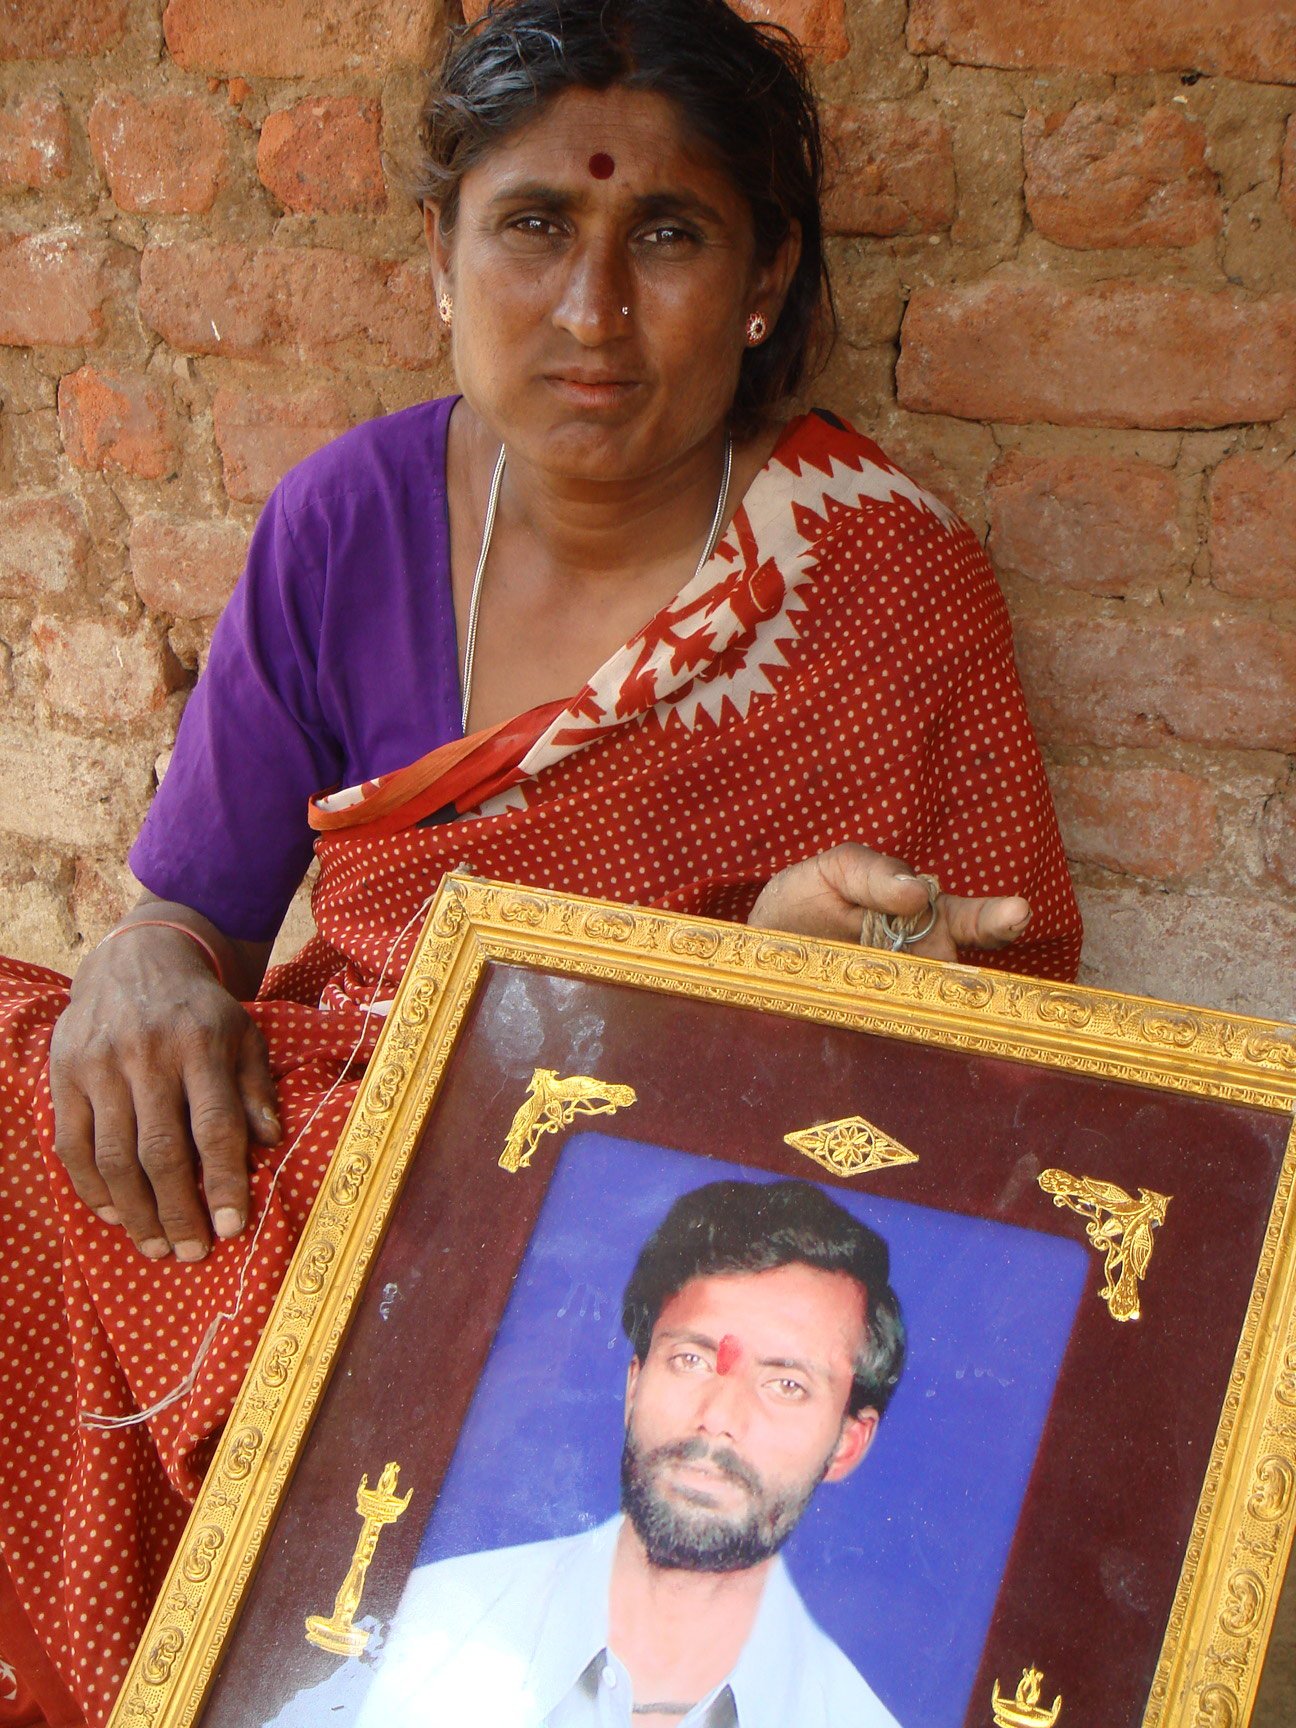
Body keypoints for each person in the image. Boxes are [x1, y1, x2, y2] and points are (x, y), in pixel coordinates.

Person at [0, 1, 1082, 1722]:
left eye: (665, 232)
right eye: (531, 226)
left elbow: (1014, 1075)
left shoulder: (882, 582)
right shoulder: (345, 521)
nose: (590, 311)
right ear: (437, 255)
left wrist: (777, 976)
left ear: (761, 271)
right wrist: (138, 962)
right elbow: (188, 917)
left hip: (647, 1209)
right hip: (336, 1162)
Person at [356, 1181, 906, 1728]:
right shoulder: (412, 1629)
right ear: (634, 1386)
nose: (718, 1418)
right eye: (691, 1359)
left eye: (786, 1385)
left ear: (847, 1444)